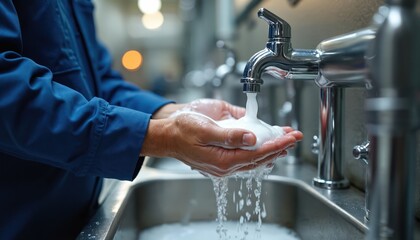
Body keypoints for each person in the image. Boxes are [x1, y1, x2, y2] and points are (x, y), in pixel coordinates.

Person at [0, 0, 303, 239]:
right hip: (22, 222)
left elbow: (101, 83)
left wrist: (174, 112)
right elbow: (7, 92)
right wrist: (161, 137)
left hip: (78, 216)